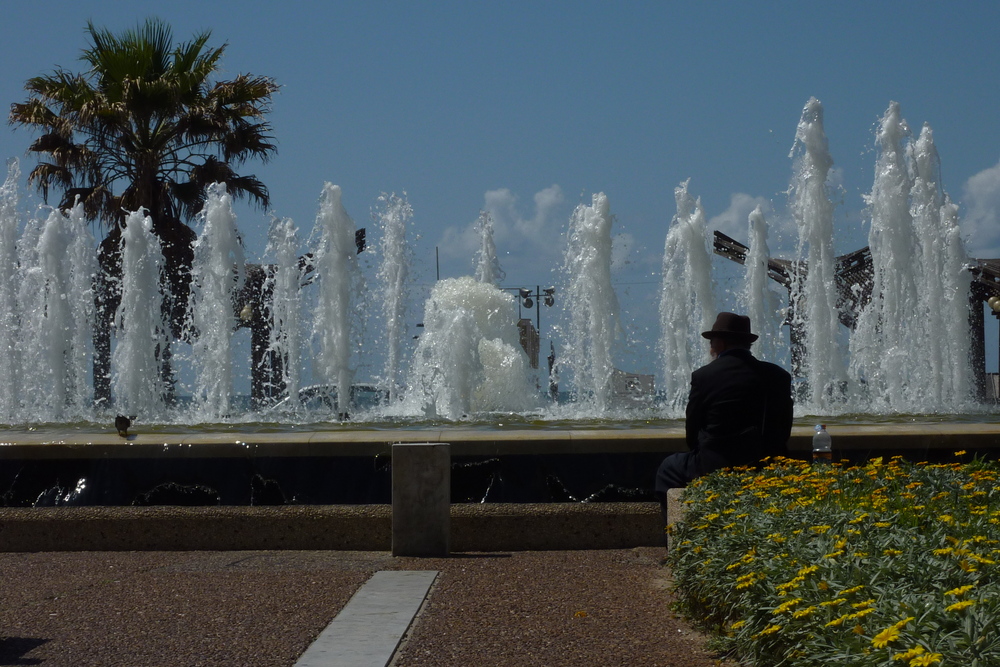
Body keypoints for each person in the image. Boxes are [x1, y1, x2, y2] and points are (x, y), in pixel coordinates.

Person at [654, 312, 793, 540]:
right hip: (767, 463)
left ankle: (680, 543)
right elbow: (783, 428)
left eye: (711, 342)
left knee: (668, 468)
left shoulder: (704, 376)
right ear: (747, 344)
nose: (710, 347)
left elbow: (692, 433)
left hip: (716, 464)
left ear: (720, 342)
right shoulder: (778, 375)